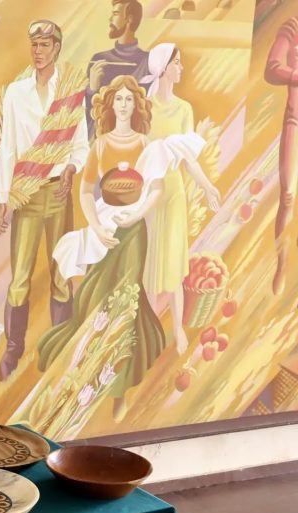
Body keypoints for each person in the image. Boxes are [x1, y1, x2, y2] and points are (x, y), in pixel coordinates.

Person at [38, 75, 166, 421]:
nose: (123, 105)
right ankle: (84, 374)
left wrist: (136, 214)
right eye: (118, 99)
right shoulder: (100, 146)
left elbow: (156, 188)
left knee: (127, 302)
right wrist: (97, 228)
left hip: (134, 232)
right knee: (93, 298)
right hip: (105, 230)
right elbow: (85, 192)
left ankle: (119, 390)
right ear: (110, 105)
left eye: (129, 99)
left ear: (136, 105)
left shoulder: (145, 144)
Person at [0, 19, 89, 381]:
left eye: (45, 45)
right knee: (20, 278)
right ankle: (13, 349)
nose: (38, 51)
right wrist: (2, 197)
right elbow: (8, 149)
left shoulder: (71, 92)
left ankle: (59, 348)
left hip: (59, 194)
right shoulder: (16, 93)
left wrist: (71, 168)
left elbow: (82, 145)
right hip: (27, 195)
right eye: (34, 45)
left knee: (62, 274)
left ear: (56, 48)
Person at [139, 43, 220, 354]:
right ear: (162, 68)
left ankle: (177, 328)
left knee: (174, 259)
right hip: (149, 191)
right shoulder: (145, 106)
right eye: (176, 63)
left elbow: (190, 160)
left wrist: (208, 187)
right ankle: (148, 330)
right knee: (150, 262)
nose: (181, 68)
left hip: (173, 194)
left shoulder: (184, 109)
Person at [264, 14, 298, 295]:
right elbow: (272, 69)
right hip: (295, 122)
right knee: (288, 196)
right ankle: (282, 264)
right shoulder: (293, 25)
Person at [85, 0, 149, 140]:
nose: (110, 19)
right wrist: (92, 89)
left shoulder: (147, 61)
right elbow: (85, 114)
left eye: (115, 14)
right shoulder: (99, 59)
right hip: (102, 139)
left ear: (129, 19)